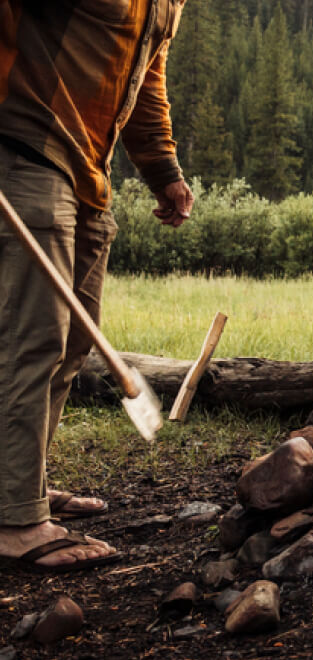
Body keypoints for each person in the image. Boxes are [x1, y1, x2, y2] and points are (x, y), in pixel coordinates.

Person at [0, 0, 193, 571]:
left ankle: (21, 483)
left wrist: (162, 169)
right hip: (25, 150)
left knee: (72, 342)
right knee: (31, 338)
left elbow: (145, 73)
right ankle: (14, 522)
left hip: (87, 170)